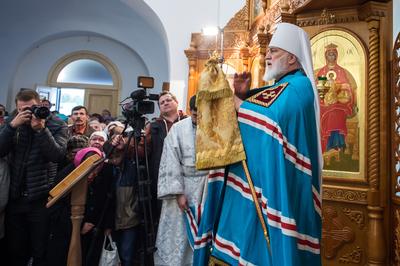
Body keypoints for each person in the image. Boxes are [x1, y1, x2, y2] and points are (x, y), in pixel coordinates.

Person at [188, 23, 323, 265]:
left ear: (292, 58)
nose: (267, 56)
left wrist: (233, 101)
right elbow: (263, 115)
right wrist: (241, 96)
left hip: (278, 185)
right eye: (269, 51)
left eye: (275, 51)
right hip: (259, 183)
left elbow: (268, 123)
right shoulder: (283, 86)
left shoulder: (299, 87)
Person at [0, 89, 68, 266]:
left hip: (41, 199)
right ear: (16, 108)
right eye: (23, 110)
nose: (28, 113)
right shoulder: (12, 122)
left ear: (40, 104)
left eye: (31, 108)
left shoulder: (57, 124)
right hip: (15, 197)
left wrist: (41, 130)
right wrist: (11, 127)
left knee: (40, 249)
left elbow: (57, 156)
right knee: (15, 249)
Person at [154, 95, 208, 266]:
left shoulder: (217, 127)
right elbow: (170, 161)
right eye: (195, 115)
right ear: (190, 110)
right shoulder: (177, 129)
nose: (198, 119)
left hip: (208, 186)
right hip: (184, 186)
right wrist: (178, 193)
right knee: (178, 233)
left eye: (203, 115)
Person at [142, 91, 187, 229]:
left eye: (168, 100)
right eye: (162, 102)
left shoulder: (188, 121)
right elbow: (143, 150)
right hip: (162, 175)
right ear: (160, 108)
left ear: (176, 102)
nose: (165, 103)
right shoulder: (155, 126)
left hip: (186, 174)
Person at [315, 43, 357, 155]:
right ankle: (325, 142)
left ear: (337, 56)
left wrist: (337, 85)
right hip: (323, 101)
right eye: (329, 55)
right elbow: (317, 86)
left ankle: (337, 142)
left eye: (333, 55)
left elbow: (347, 86)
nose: (331, 57)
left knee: (336, 112)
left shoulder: (341, 71)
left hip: (339, 101)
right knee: (322, 110)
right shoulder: (322, 71)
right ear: (325, 56)